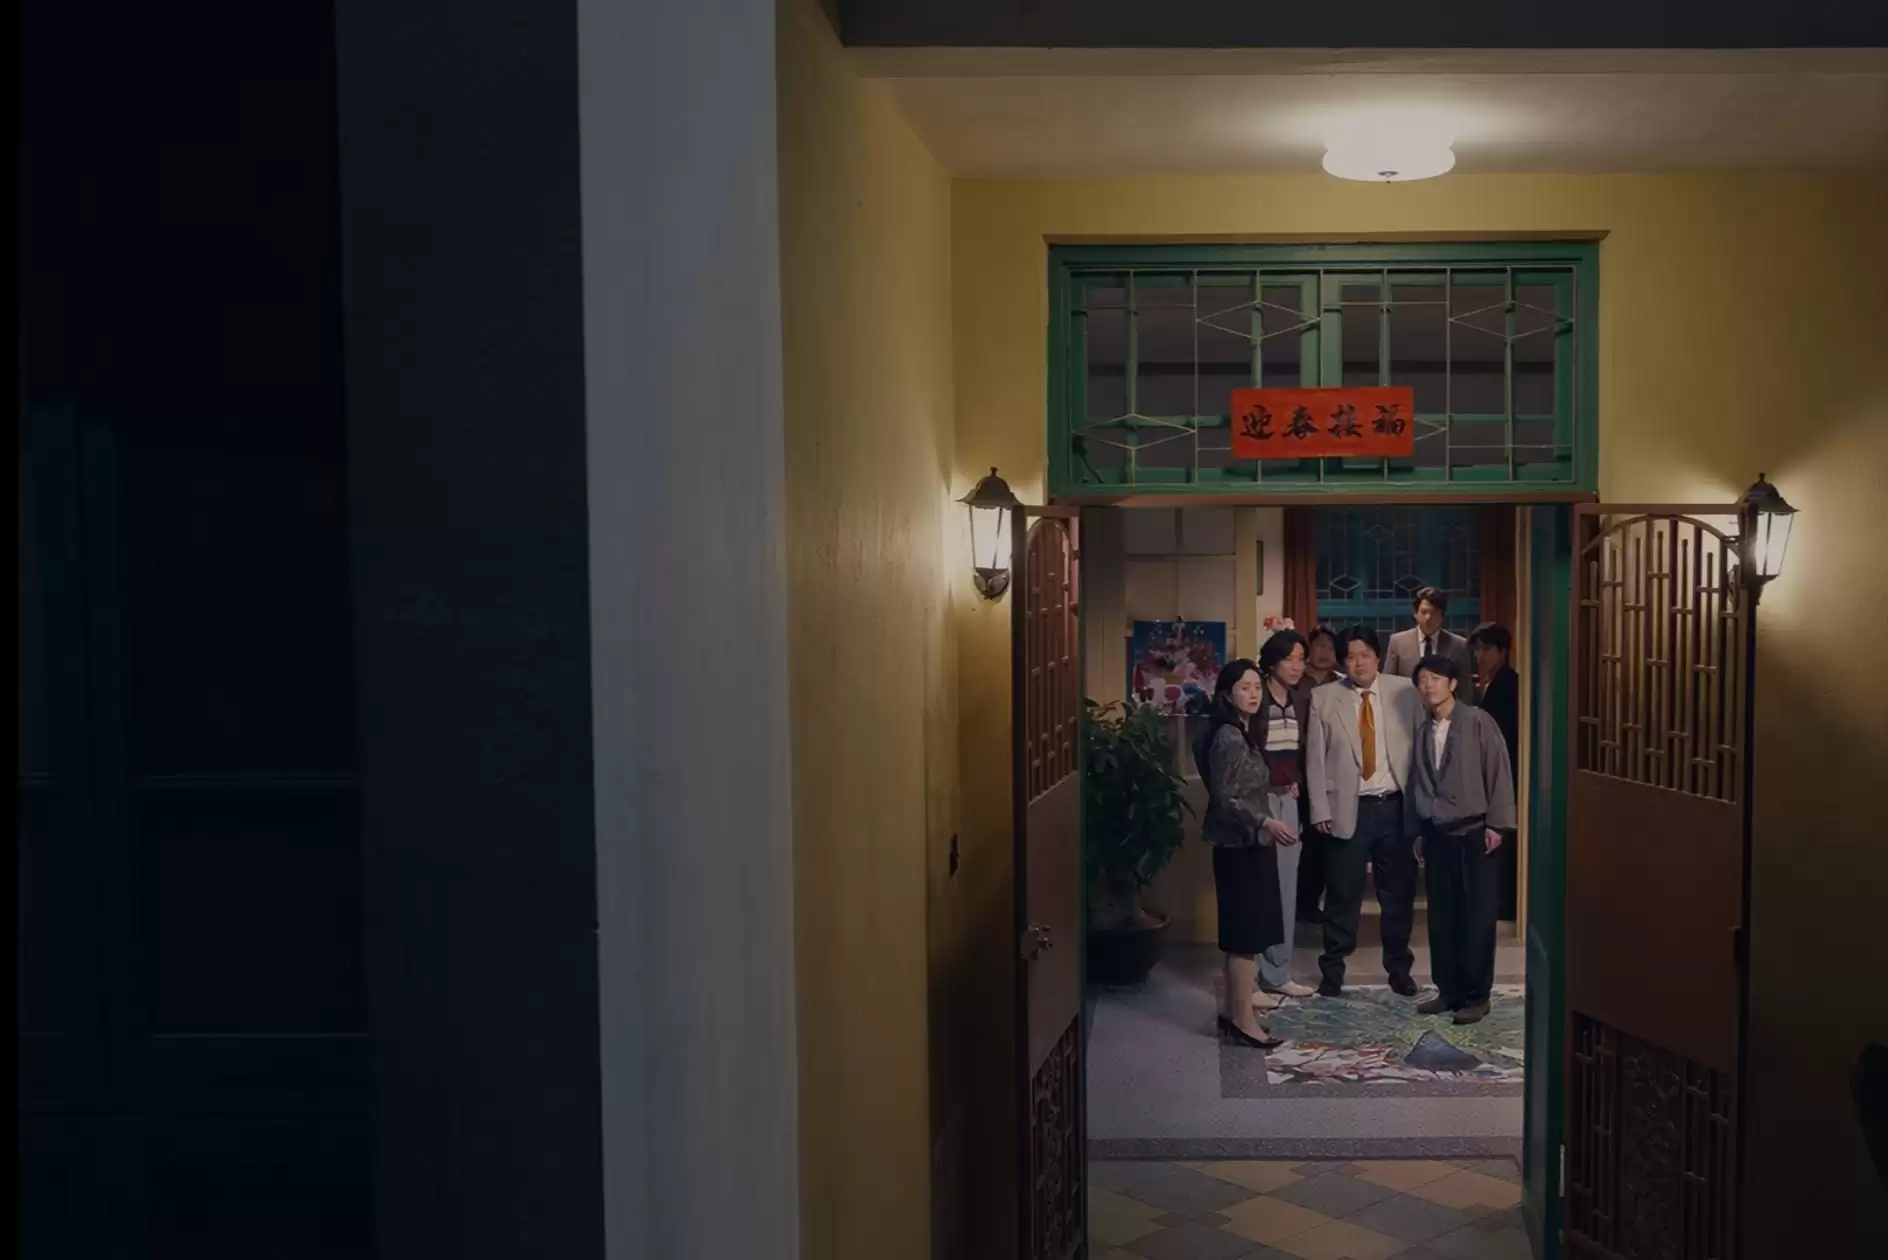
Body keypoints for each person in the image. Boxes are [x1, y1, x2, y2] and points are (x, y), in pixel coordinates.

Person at [1305, 627, 1422, 998]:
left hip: (1395, 808)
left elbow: (1421, 749)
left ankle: (1399, 970)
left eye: (1365, 655)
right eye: (1351, 656)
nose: (1359, 663)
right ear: (1343, 661)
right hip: (1347, 806)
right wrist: (1319, 808)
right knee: (1342, 894)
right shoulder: (1324, 697)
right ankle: (1333, 970)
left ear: (1378, 656)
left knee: (1398, 895)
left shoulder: (1405, 691)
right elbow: (1314, 759)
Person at [1408, 654, 1516, 1025]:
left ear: (1453, 684)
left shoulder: (1477, 721)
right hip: (1437, 832)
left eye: (1436, 678)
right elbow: (1417, 782)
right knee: (1442, 916)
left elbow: (1499, 773)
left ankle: (1476, 995)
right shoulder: (1423, 730)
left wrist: (1497, 825)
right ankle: (1448, 990)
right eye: (1423, 679)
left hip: (1475, 832)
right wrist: (1418, 830)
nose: (1428, 686)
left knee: (1477, 916)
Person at [1193, 659, 1293, 1050]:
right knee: (1244, 938)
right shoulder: (1229, 736)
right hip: (1240, 844)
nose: (1253, 694)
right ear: (1227, 693)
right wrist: (1266, 821)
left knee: (1242, 935)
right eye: (1244, 687)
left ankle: (1234, 1012)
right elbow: (1227, 796)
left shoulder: (1241, 731)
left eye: (1256, 686)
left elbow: (1244, 787)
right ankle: (1244, 1022)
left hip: (1247, 843)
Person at [1252, 630, 1317, 1002]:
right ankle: (1249, 975)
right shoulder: (1254, 696)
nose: (1297, 666)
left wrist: (1296, 781)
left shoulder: (1301, 701)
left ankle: (1278, 972)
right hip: (1256, 801)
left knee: (1286, 887)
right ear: (1273, 660)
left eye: (1301, 659)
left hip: (1287, 800)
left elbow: (1303, 752)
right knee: (1255, 885)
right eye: (1290, 658)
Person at [1468, 622, 1522, 919]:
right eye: (1477, 650)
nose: (1480, 656)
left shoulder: (1508, 685)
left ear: (1503, 651)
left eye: (1487, 649)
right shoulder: (1489, 682)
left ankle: (1505, 902)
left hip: (1506, 773)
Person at [1294, 625, 1343, 924]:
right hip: (1298, 771)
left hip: (1332, 773)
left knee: (1326, 842)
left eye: (1331, 647)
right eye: (1320, 645)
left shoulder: (1342, 683)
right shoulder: (1296, 682)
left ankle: (1317, 901)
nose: (1325, 652)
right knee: (1305, 841)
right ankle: (1300, 902)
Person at [1383, 587, 1474, 687]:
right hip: (1408, 696)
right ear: (1415, 613)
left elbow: (1465, 687)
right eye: (1424, 612)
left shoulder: (1458, 645)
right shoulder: (1398, 642)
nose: (1428, 617)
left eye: (1433, 613)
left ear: (1442, 616)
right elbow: (1388, 682)